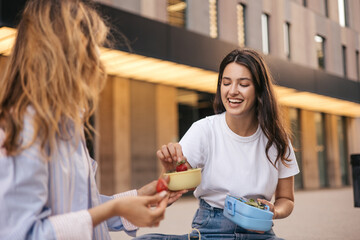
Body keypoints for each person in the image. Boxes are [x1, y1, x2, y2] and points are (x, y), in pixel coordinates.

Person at [0, 0, 185, 239]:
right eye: (89, 47)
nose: (96, 60)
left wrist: (146, 194)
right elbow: (22, 234)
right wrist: (115, 208)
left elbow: (82, 207)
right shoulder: (22, 127)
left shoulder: (66, 123)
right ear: (60, 53)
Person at [135, 48, 300, 240]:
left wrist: (274, 212)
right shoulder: (204, 130)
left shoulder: (278, 140)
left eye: (243, 84)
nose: (232, 91)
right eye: (226, 82)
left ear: (259, 89)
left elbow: (286, 199)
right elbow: (168, 195)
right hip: (210, 231)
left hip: (260, 233)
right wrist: (170, 171)